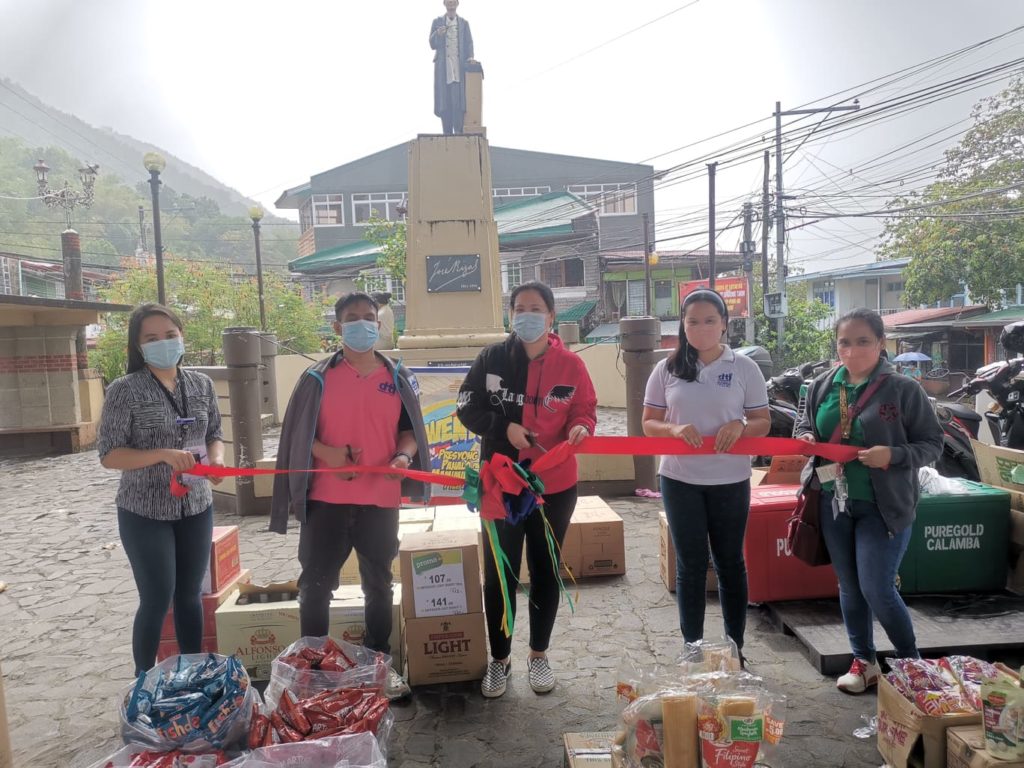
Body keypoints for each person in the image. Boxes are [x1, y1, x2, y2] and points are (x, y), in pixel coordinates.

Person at [270, 291, 431, 697]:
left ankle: (379, 666)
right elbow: (297, 436)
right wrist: (329, 455)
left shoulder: (398, 376)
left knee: (378, 584)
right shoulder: (317, 379)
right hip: (326, 501)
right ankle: (312, 672)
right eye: (353, 318)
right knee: (316, 587)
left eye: (369, 317)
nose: (362, 324)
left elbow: (410, 430)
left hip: (380, 500)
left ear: (379, 323)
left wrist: (402, 456)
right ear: (337, 327)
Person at [457, 281, 597, 698]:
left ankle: (539, 655)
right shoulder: (492, 358)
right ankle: (499, 660)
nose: (527, 315)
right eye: (519, 308)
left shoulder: (571, 366)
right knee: (499, 573)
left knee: (545, 569)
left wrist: (581, 426)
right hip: (500, 483)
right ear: (510, 314)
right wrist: (504, 428)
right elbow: (466, 406)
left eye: (536, 308)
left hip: (554, 485)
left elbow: (585, 409)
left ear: (552, 316)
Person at [795, 308, 943, 694]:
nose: (853, 350)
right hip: (834, 502)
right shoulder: (821, 386)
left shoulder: (903, 390)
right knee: (849, 585)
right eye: (844, 342)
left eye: (863, 341)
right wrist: (806, 438)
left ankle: (912, 665)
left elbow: (932, 444)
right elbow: (805, 424)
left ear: (880, 343)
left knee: (877, 587)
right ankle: (864, 663)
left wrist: (892, 455)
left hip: (884, 507)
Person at [641, 289, 771, 662]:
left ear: (724, 324)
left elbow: (762, 421)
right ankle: (692, 648)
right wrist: (673, 429)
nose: (701, 328)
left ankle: (735, 648)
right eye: (693, 321)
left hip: (730, 479)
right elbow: (649, 423)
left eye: (710, 320)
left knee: (730, 562)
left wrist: (740, 425)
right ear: (682, 326)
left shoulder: (744, 368)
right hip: (680, 479)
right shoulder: (666, 369)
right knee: (691, 565)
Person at [97, 303, 225, 675]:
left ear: (182, 336)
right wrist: (163, 455)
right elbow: (109, 455)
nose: (164, 343)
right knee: (156, 596)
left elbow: (214, 433)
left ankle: (192, 672)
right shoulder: (124, 390)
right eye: (152, 338)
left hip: (196, 505)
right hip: (144, 510)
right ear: (138, 346)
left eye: (170, 335)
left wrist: (216, 460)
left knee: (190, 595)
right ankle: (143, 678)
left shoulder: (201, 384)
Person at [430, 0, 474, 134]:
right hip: (443, 68)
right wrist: (438, 34)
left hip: (458, 67)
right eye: (448, 1)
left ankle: (458, 132)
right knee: (444, 101)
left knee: (457, 101)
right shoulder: (437, 21)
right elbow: (431, 43)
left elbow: (469, 43)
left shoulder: (464, 23)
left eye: (453, 1)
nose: (451, 3)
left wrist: (470, 57)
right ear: (444, 3)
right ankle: (447, 133)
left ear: (457, 3)